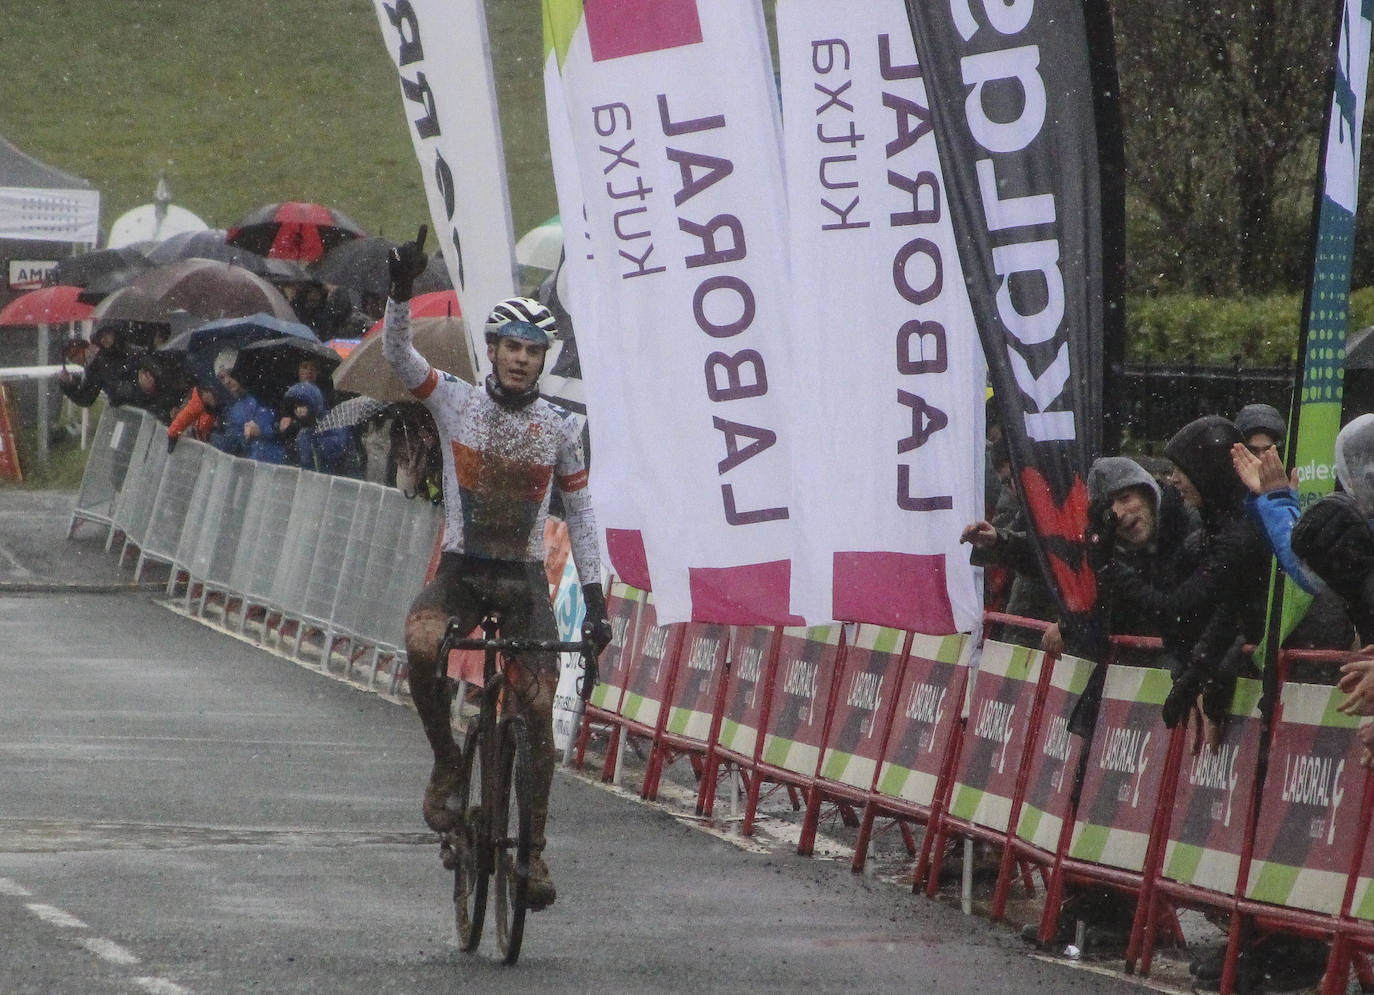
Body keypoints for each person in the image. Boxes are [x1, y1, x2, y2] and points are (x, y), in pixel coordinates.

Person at [381, 232, 613, 911]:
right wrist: (400, 295)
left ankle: (533, 851)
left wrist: (595, 603)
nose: (520, 358)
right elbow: (400, 356)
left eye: (532, 350)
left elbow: (584, 513)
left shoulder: (559, 428)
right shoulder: (456, 402)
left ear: (544, 359)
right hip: (461, 570)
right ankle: (449, 760)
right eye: (511, 347)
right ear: (494, 351)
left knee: (538, 708)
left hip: (523, 582)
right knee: (423, 642)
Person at [1093, 416, 1271, 747]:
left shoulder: (1238, 537)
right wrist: (1192, 678)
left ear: (1205, 472)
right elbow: (1218, 615)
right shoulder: (1214, 531)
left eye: (1181, 470)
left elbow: (1177, 609)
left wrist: (1109, 568)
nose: (1173, 480)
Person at [209, 349, 286, 464]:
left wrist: (261, 431)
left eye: (230, 374)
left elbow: (280, 429)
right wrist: (210, 431)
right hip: (252, 468)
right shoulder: (232, 408)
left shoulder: (265, 395)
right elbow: (231, 443)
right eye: (221, 378)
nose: (226, 381)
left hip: (275, 466)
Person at [277, 381, 357, 475]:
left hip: (343, 483)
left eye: (302, 405)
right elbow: (305, 466)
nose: (298, 410)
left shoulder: (335, 422)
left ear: (312, 404)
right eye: (295, 407)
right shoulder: (302, 434)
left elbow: (335, 451)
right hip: (317, 485)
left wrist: (315, 438)